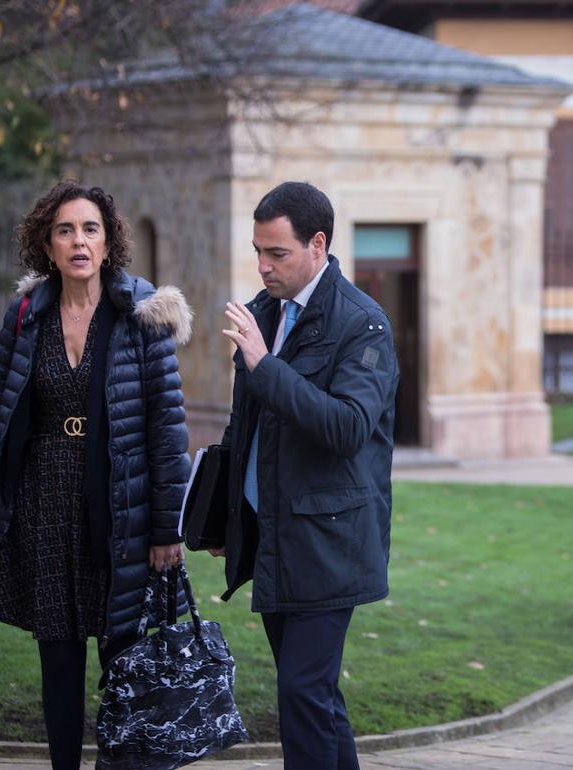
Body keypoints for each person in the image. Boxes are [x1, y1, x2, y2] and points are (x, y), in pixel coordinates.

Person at [0, 181, 193, 768]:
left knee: (124, 660)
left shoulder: (140, 315)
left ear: (109, 242)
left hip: (117, 508)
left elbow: (168, 431)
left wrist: (167, 529)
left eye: (90, 229)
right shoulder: (25, 317)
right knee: (58, 659)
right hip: (43, 502)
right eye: (65, 230)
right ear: (47, 243)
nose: (79, 241)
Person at [210, 181, 399, 770]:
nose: (263, 266)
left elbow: (347, 428)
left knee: (301, 694)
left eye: (278, 253)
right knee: (315, 697)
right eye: (258, 251)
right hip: (273, 535)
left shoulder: (363, 325)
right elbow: (247, 431)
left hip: (330, 540)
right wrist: (227, 517)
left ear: (318, 245)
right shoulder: (263, 311)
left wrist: (264, 365)